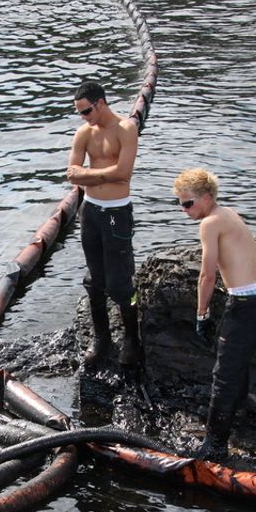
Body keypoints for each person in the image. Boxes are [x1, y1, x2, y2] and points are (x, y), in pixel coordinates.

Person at [173, 168, 256, 461]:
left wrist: (201, 314)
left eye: (188, 203)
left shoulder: (209, 223)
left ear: (206, 198)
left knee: (224, 374)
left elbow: (206, 277)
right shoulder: (227, 213)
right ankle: (242, 415)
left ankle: (215, 445)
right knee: (239, 362)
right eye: (180, 204)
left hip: (247, 304)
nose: (184, 210)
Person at [66, 80, 142, 368]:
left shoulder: (125, 129)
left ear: (100, 103)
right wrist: (100, 176)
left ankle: (132, 342)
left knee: (120, 281)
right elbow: (72, 175)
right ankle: (102, 340)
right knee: (95, 279)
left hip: (115, 212)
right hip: (91, 212)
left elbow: (124, 172)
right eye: (80, 113)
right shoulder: (84, 133)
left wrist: (91, 174)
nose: (83, 117)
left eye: (86, 111)